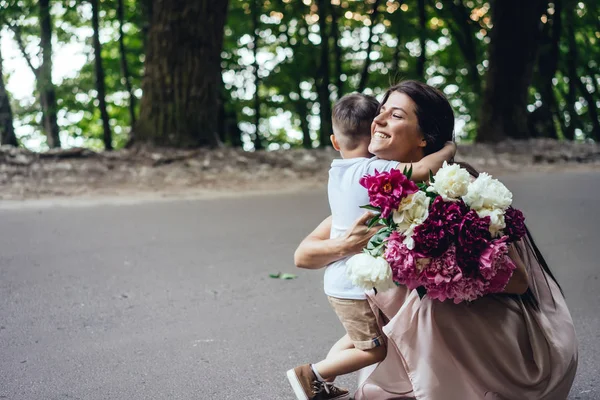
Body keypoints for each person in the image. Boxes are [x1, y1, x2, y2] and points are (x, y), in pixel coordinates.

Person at [294, 81, 578, 400]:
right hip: (423, 347)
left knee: (426, 302)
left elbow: (519, 280)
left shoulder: (458, 188)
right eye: (381, 111)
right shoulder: (375, 190)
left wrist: (435, 264)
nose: (380, 119)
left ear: (423, 138)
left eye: (396, 115)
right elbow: (304, 255)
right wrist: (347, 245)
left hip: (490, 342)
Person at [286, 93, 457, 400]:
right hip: (351, 283)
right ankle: (311, 375)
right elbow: (421, 171)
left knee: (358, 338)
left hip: (341, 280)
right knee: (374, 350)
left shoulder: (338, 172)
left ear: (335, 143)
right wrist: (448, 148)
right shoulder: (372, 170)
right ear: (374, 136)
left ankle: (321, 380)